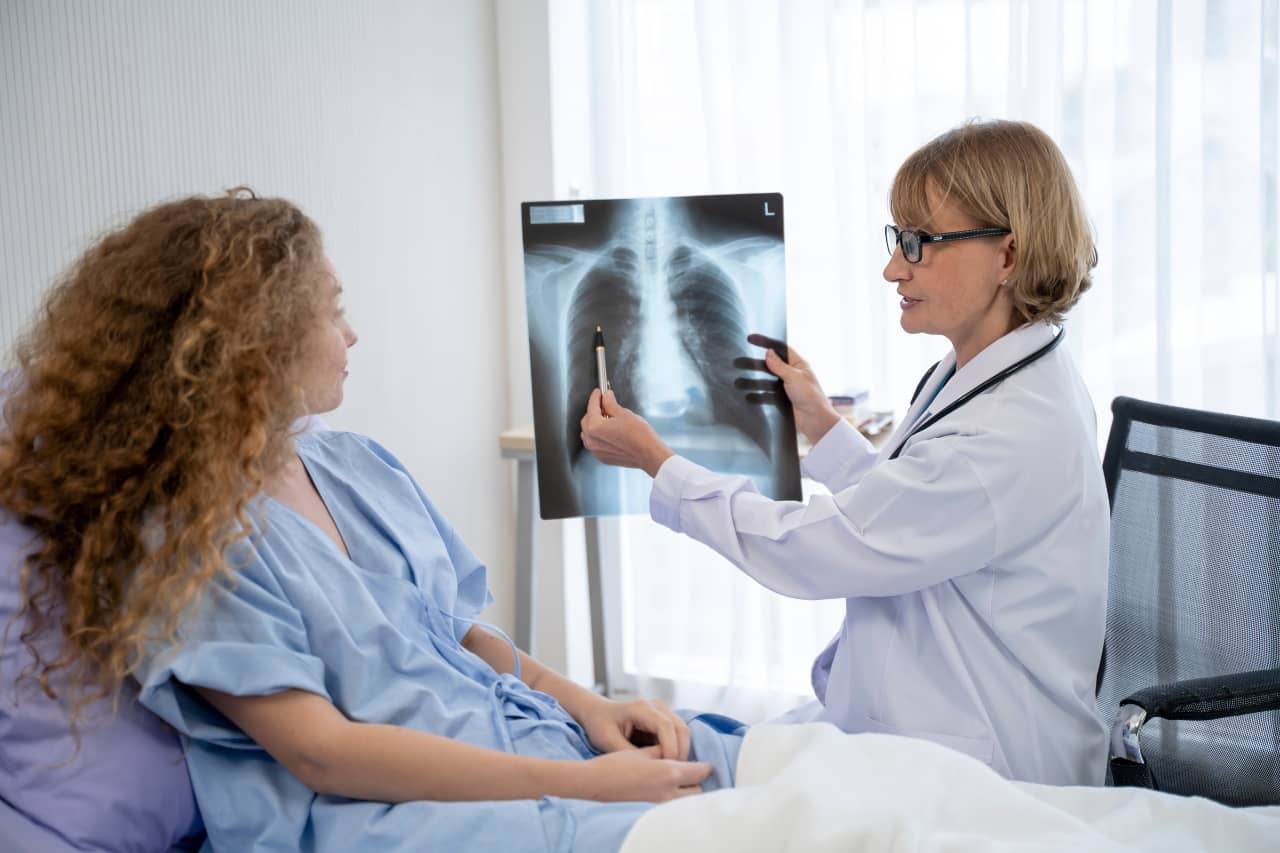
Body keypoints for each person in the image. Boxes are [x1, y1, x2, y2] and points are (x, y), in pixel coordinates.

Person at [0, 191, 744, 852]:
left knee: (746, 762)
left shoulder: (356, 463)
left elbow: (461, 633)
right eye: (332, 309)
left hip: (516, 744)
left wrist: (591, 707)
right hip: (378, 813)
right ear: (258, 339)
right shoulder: (188, 541)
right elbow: (323, 753)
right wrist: (581, 786)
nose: (352, 335)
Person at [581, 119, 1110, 786]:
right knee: (684, 747)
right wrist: (825, 426)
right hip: (930, 713)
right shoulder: (984, 371)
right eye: (897, 240)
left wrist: (661, 463)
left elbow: (821, 548)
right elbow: (911, 511)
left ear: (1007, 254)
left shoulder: (1006, 432)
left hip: (987, 770)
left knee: (660, 775)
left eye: (919, 244)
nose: (894, 268)